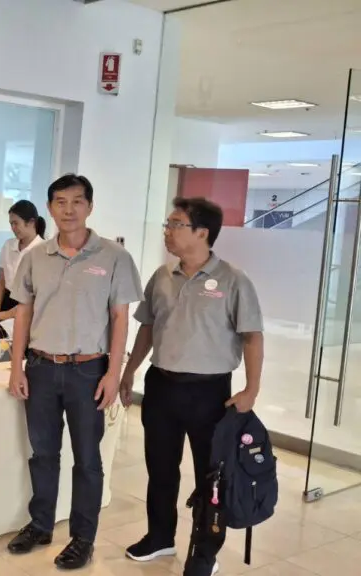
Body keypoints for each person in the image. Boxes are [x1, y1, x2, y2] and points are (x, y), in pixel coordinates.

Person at [5, 174, 143, 569]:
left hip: (88, 371)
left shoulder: (114, 257)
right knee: (43, 454)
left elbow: (120, 319)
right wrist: (16, 367)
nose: (69, 210)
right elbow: (23, 313)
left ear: (90, 207)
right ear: (50, 208)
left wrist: (114, 373)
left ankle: (83, 537)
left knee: (87, 460)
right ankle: (40, 524)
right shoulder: (35, 257)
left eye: (77, 202)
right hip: (41, 368)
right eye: (60, 202)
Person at [120, 197, 264, 576]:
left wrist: (251, 390)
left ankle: (204, 553)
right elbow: (148, 328)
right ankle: (160, 536)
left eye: (175, 224)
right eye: (167, 224)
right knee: (160, 468)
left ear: (202, 233)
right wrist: (130, 370)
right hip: (162, 387)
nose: (167, 231)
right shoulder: (162, 276)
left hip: (210, 393)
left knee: (210, 478)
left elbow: (252, 336)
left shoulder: (233, 280)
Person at [0, 200, 46, 320]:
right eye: (11, 224)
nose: (13, 228)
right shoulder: (8, 245)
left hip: (29, 305)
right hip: (7, 300)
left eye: (16, 223)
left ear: (31, 222)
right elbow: (1, 281)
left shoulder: (43, 250)